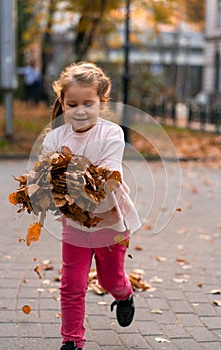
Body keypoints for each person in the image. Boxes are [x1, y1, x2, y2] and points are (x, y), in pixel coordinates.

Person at [42, 62, 141, 350]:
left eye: (88, 103)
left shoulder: (112, 134)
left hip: (111, 221)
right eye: (72, 104)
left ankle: (125, 295)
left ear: (102, 102)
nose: (80, 110)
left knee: (112, 281)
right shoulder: (54, 138)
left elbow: (109, 174)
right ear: (62, 102)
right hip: (74, 221)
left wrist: (70, 176)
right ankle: (72, 341)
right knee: (72, 284)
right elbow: (48, 178)